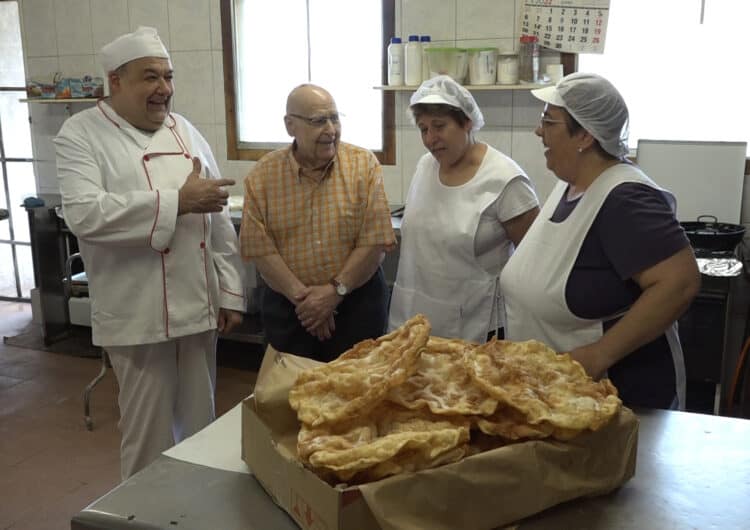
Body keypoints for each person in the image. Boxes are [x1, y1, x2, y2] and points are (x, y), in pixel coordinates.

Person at [54, 27, 246, 480]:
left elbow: (215, 214)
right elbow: (84, 214)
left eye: (168, 76)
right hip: (137, 313)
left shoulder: (185, 130)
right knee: (148, 432)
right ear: (116, 81)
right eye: (150, 77)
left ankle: (198, 509)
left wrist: (231, 290)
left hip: (198, 305)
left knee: (202, 424)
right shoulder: (80, 134)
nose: (164, 89)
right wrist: (178, 201)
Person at [500, 72, 701, 410]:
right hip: (559, 394)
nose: (539, 131)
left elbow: (680, 283)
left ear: (585, 136)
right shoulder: (570, 186)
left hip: (622, 400)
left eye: (549, 122)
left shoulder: (626, 199)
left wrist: (597, 356)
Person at [240, 84, 396, 362]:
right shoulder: (263, 176)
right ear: (290, 126)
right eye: (318, 121)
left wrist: (334, 293)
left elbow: (374, 242)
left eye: (334, 118)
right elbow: (260, 250)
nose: (331, 130)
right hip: (290, 309)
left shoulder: (363, 165)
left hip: (357, 304)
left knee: (356, 394)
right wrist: (308, 301)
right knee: (290, 395)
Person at [387, 75, 540, 343]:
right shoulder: (426, 166)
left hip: (476, 325)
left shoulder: (505, 180)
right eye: (423, 129)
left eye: (439, 126)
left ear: (467, 122)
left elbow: (533, 265)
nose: (431, 139)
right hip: (414, 313)